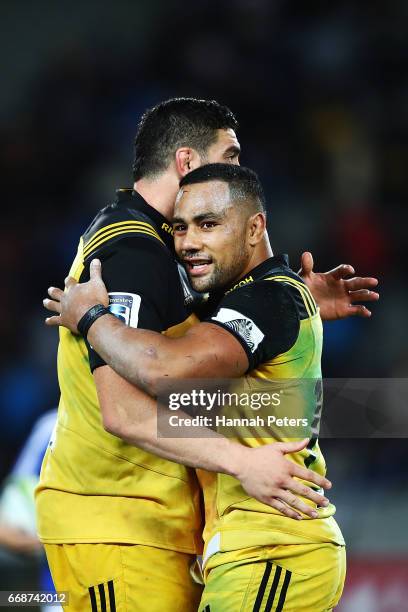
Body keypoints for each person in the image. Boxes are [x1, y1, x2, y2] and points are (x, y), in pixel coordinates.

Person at [40, 98, 377, 611]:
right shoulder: (133, 251)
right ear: (187, 164)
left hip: (212, 535)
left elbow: (244, 381)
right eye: (231, 155)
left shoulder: (176, 257)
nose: (239, 169)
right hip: (121, 523)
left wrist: (292, 300)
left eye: (205, 226)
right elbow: (126, 409)